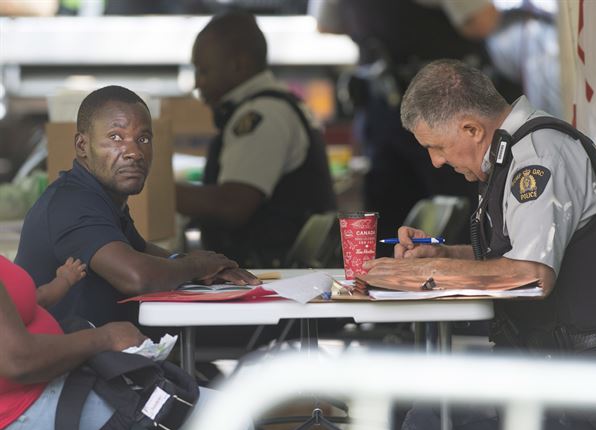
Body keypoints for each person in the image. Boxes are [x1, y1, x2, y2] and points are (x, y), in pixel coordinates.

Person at [363, 59, 596, 430]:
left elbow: (532, 274)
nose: (435, 162)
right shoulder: (508, 155)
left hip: (595, 376)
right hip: (544, 361)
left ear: (472, 129)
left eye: (435, 147)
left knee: (437, 418)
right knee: (404, 392)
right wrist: (441, 257)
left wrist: (425, 274)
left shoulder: (539, 155)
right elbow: (514, 255)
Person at [15, 85, 259, 329]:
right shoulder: (72, 203)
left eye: (143, 139)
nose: (134, 152)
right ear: (82, 146)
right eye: (116, 138)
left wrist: (199, 267)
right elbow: (137, 276)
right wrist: (196, 265)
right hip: (61, 361)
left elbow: (139, 249)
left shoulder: (101, 195)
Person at [0, 255, 260, 430]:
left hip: (49, 383)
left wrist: (62, 282)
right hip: (21, 407)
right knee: (227, 421)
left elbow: (24, 301)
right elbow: (18, 361)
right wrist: (105, 337)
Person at [314, 0, 516, 253]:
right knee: (460, 219)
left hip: (384, 102)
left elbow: (327, 25)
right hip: (443, 106)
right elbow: (481, 22)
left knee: (393, 227)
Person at [175, 11, 337, 268]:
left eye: (204, 71)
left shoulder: (262, 115)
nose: (197, 82)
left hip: (269, 274)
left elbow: (234, 204)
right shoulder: (273, 104)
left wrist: (156, 194)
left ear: (238, 65)